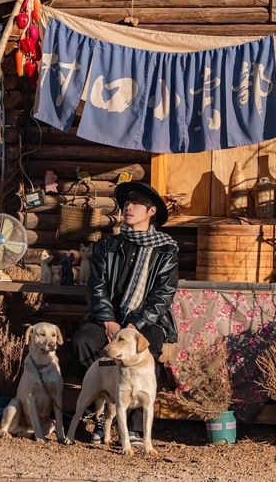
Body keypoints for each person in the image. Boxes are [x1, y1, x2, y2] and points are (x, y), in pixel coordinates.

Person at [72, 181, 179, 446]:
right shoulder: (108, 246)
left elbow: (162, 296)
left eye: (136, 204)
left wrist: (132, 325)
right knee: (85, 340)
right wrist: (109, 321)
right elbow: (97, 287)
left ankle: (131, 426)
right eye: (126, 204)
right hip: (109, 319)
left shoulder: (166, 250)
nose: (128, 207)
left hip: (146, 322)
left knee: (148, 344)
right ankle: (106, 410)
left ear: (151, 211)